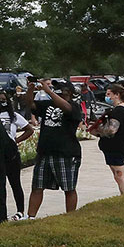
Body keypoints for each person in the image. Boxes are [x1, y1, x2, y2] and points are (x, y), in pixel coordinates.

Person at [26, 78, 83, 217]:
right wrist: (30, 89)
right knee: (37, 187)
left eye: (62, 89)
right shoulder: (48, 104)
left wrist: (49, 91)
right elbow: (30, 104)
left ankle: (71, 217)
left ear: (69, 92)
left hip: (66, 153)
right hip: (45, 152)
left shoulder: (74, 106)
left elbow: (67, 108)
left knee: (69, 188)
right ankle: (31, 217)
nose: (58, 90)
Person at [95, 85, 124, 196]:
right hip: (115, 147)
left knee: (120, 176)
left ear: (117, 95)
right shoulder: (121, 109)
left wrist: (99, 131)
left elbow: (112, 130)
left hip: (116, 147)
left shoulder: (119, 111)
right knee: (118, 176)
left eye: (109, 94)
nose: (107, 97)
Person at [0, 99, 33, 218]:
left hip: (11, 154)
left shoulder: (14, 116)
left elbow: (29, 129)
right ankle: (1, 213)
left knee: (15, 183)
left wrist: (16, 141)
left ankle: (20, 211)